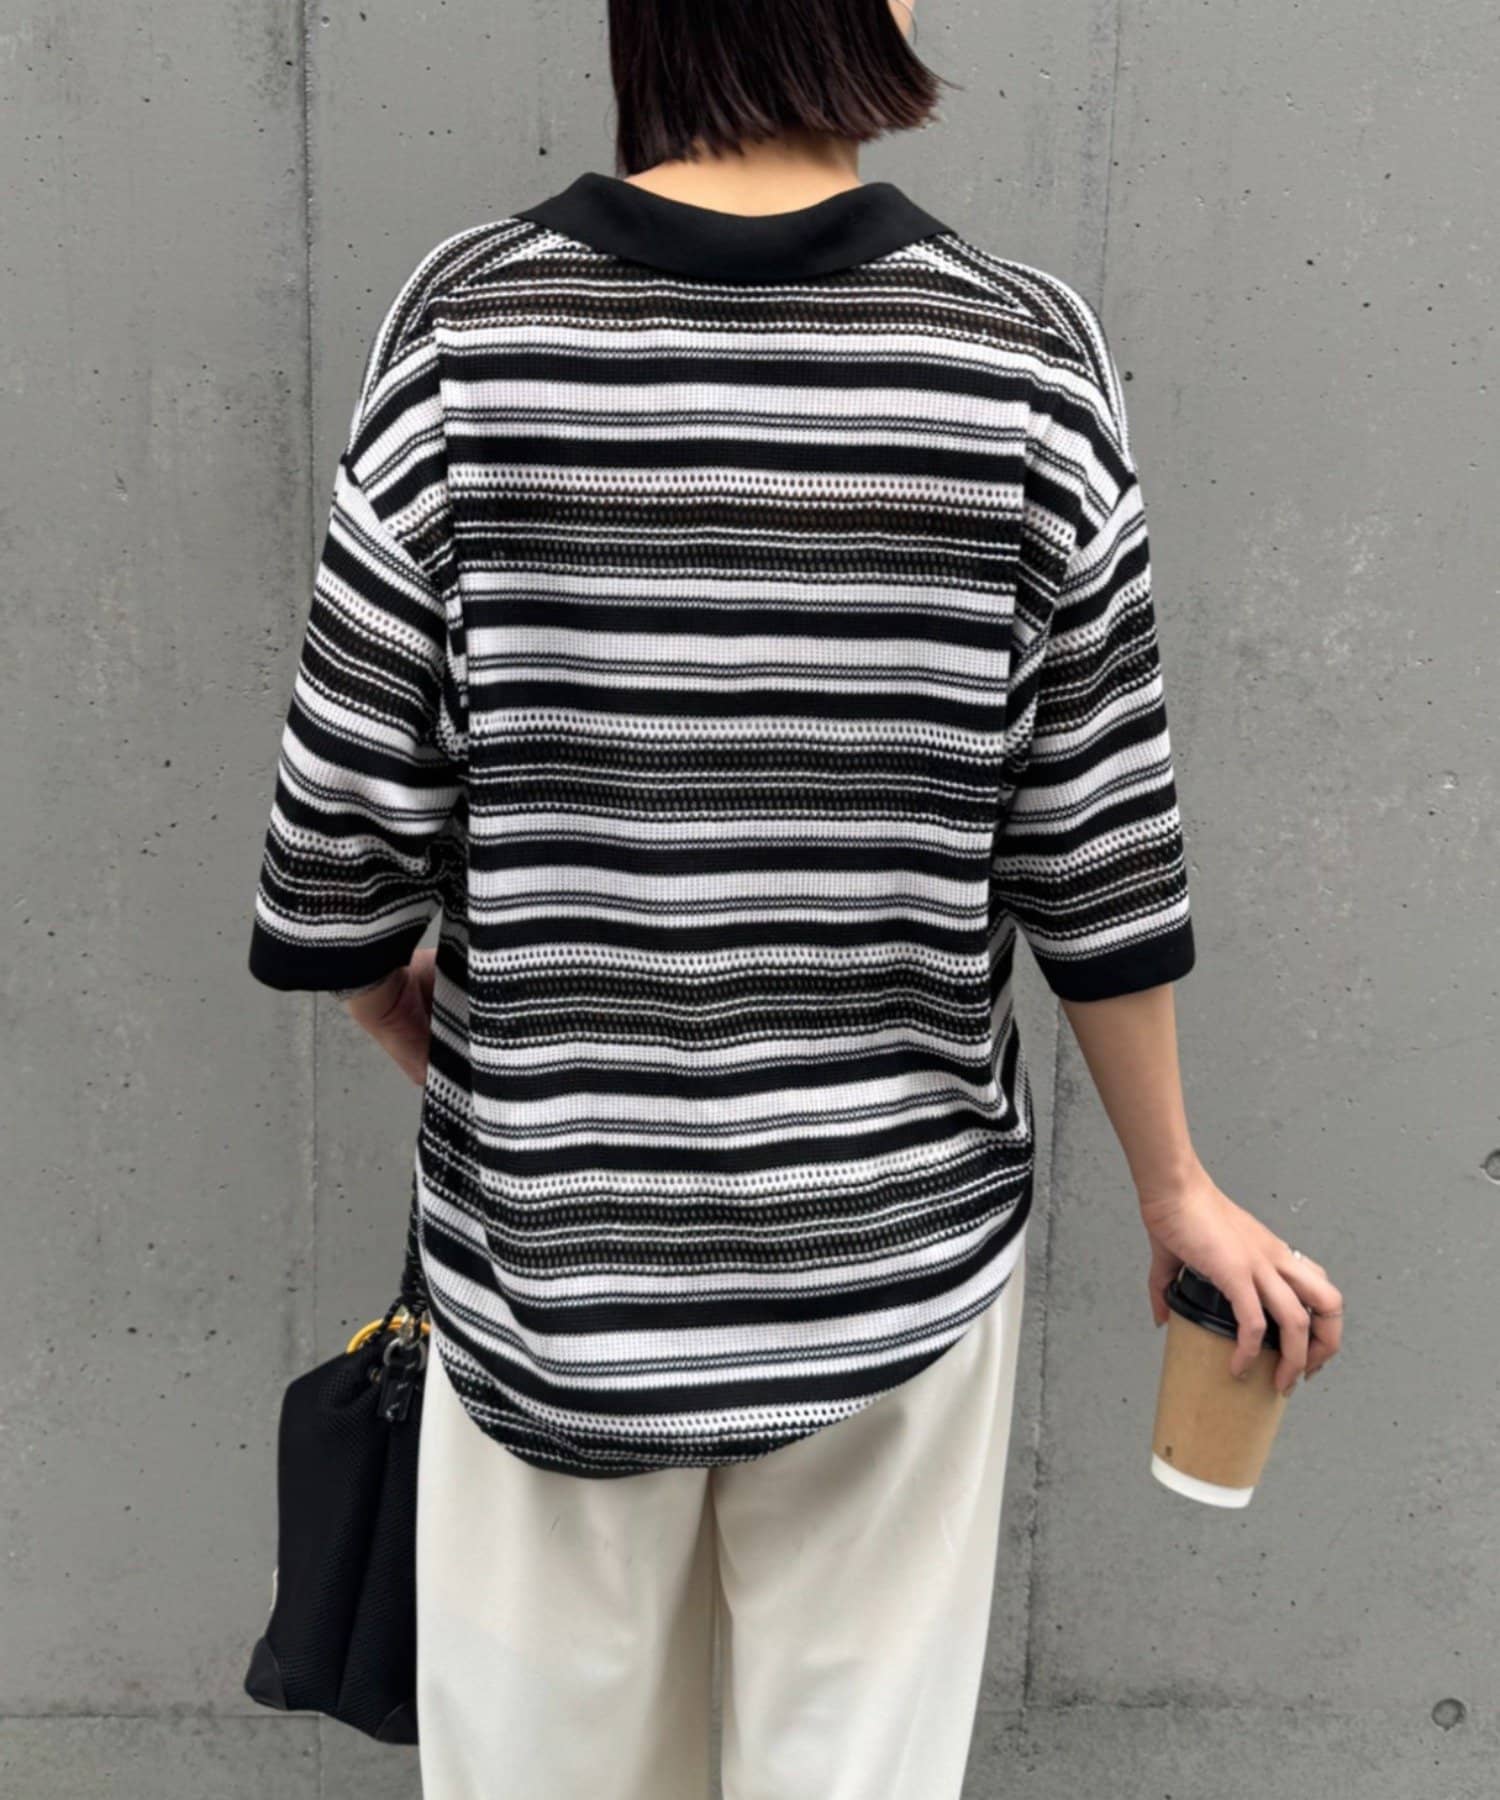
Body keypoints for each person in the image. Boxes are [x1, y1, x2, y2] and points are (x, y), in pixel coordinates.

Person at [245, 1, 1345, 1792]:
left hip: (552, 1246)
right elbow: (1097, 844)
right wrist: (1175, 1186)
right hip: (898, 1247)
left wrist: (416, 1019)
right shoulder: (1021, 358)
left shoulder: (469, 332)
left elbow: (341, 826)